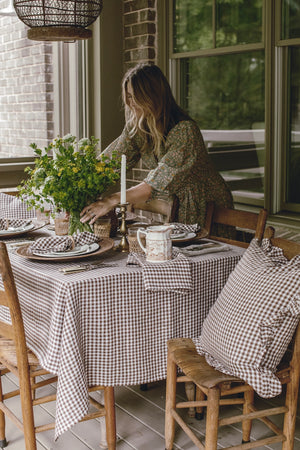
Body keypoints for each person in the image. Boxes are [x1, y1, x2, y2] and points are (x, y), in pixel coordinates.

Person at [80, 63, 233, 227]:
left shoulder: (185, 131)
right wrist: (78, 192)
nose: (131, 103)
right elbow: (109, 163)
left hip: (207, 207)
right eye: (129, 96)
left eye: (136, 96)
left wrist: (112, 199)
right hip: (176, 205)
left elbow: (154, 184)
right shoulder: (138, 127)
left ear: (154, 95)